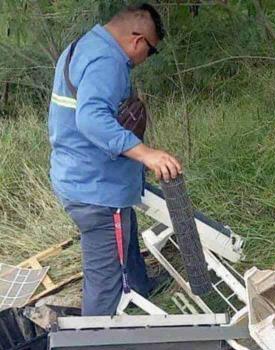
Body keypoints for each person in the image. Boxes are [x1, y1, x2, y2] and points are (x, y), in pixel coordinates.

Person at [48, 3, 181, 316]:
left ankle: (139, 286)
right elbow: (91, 118)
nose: (144, 60)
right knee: (104, 279)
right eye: (151, 52)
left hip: (77, 173)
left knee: (126, 227)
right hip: (95, 189)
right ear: (138, 41)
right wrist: (147, 154)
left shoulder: (85, 45)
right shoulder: (107, 62)